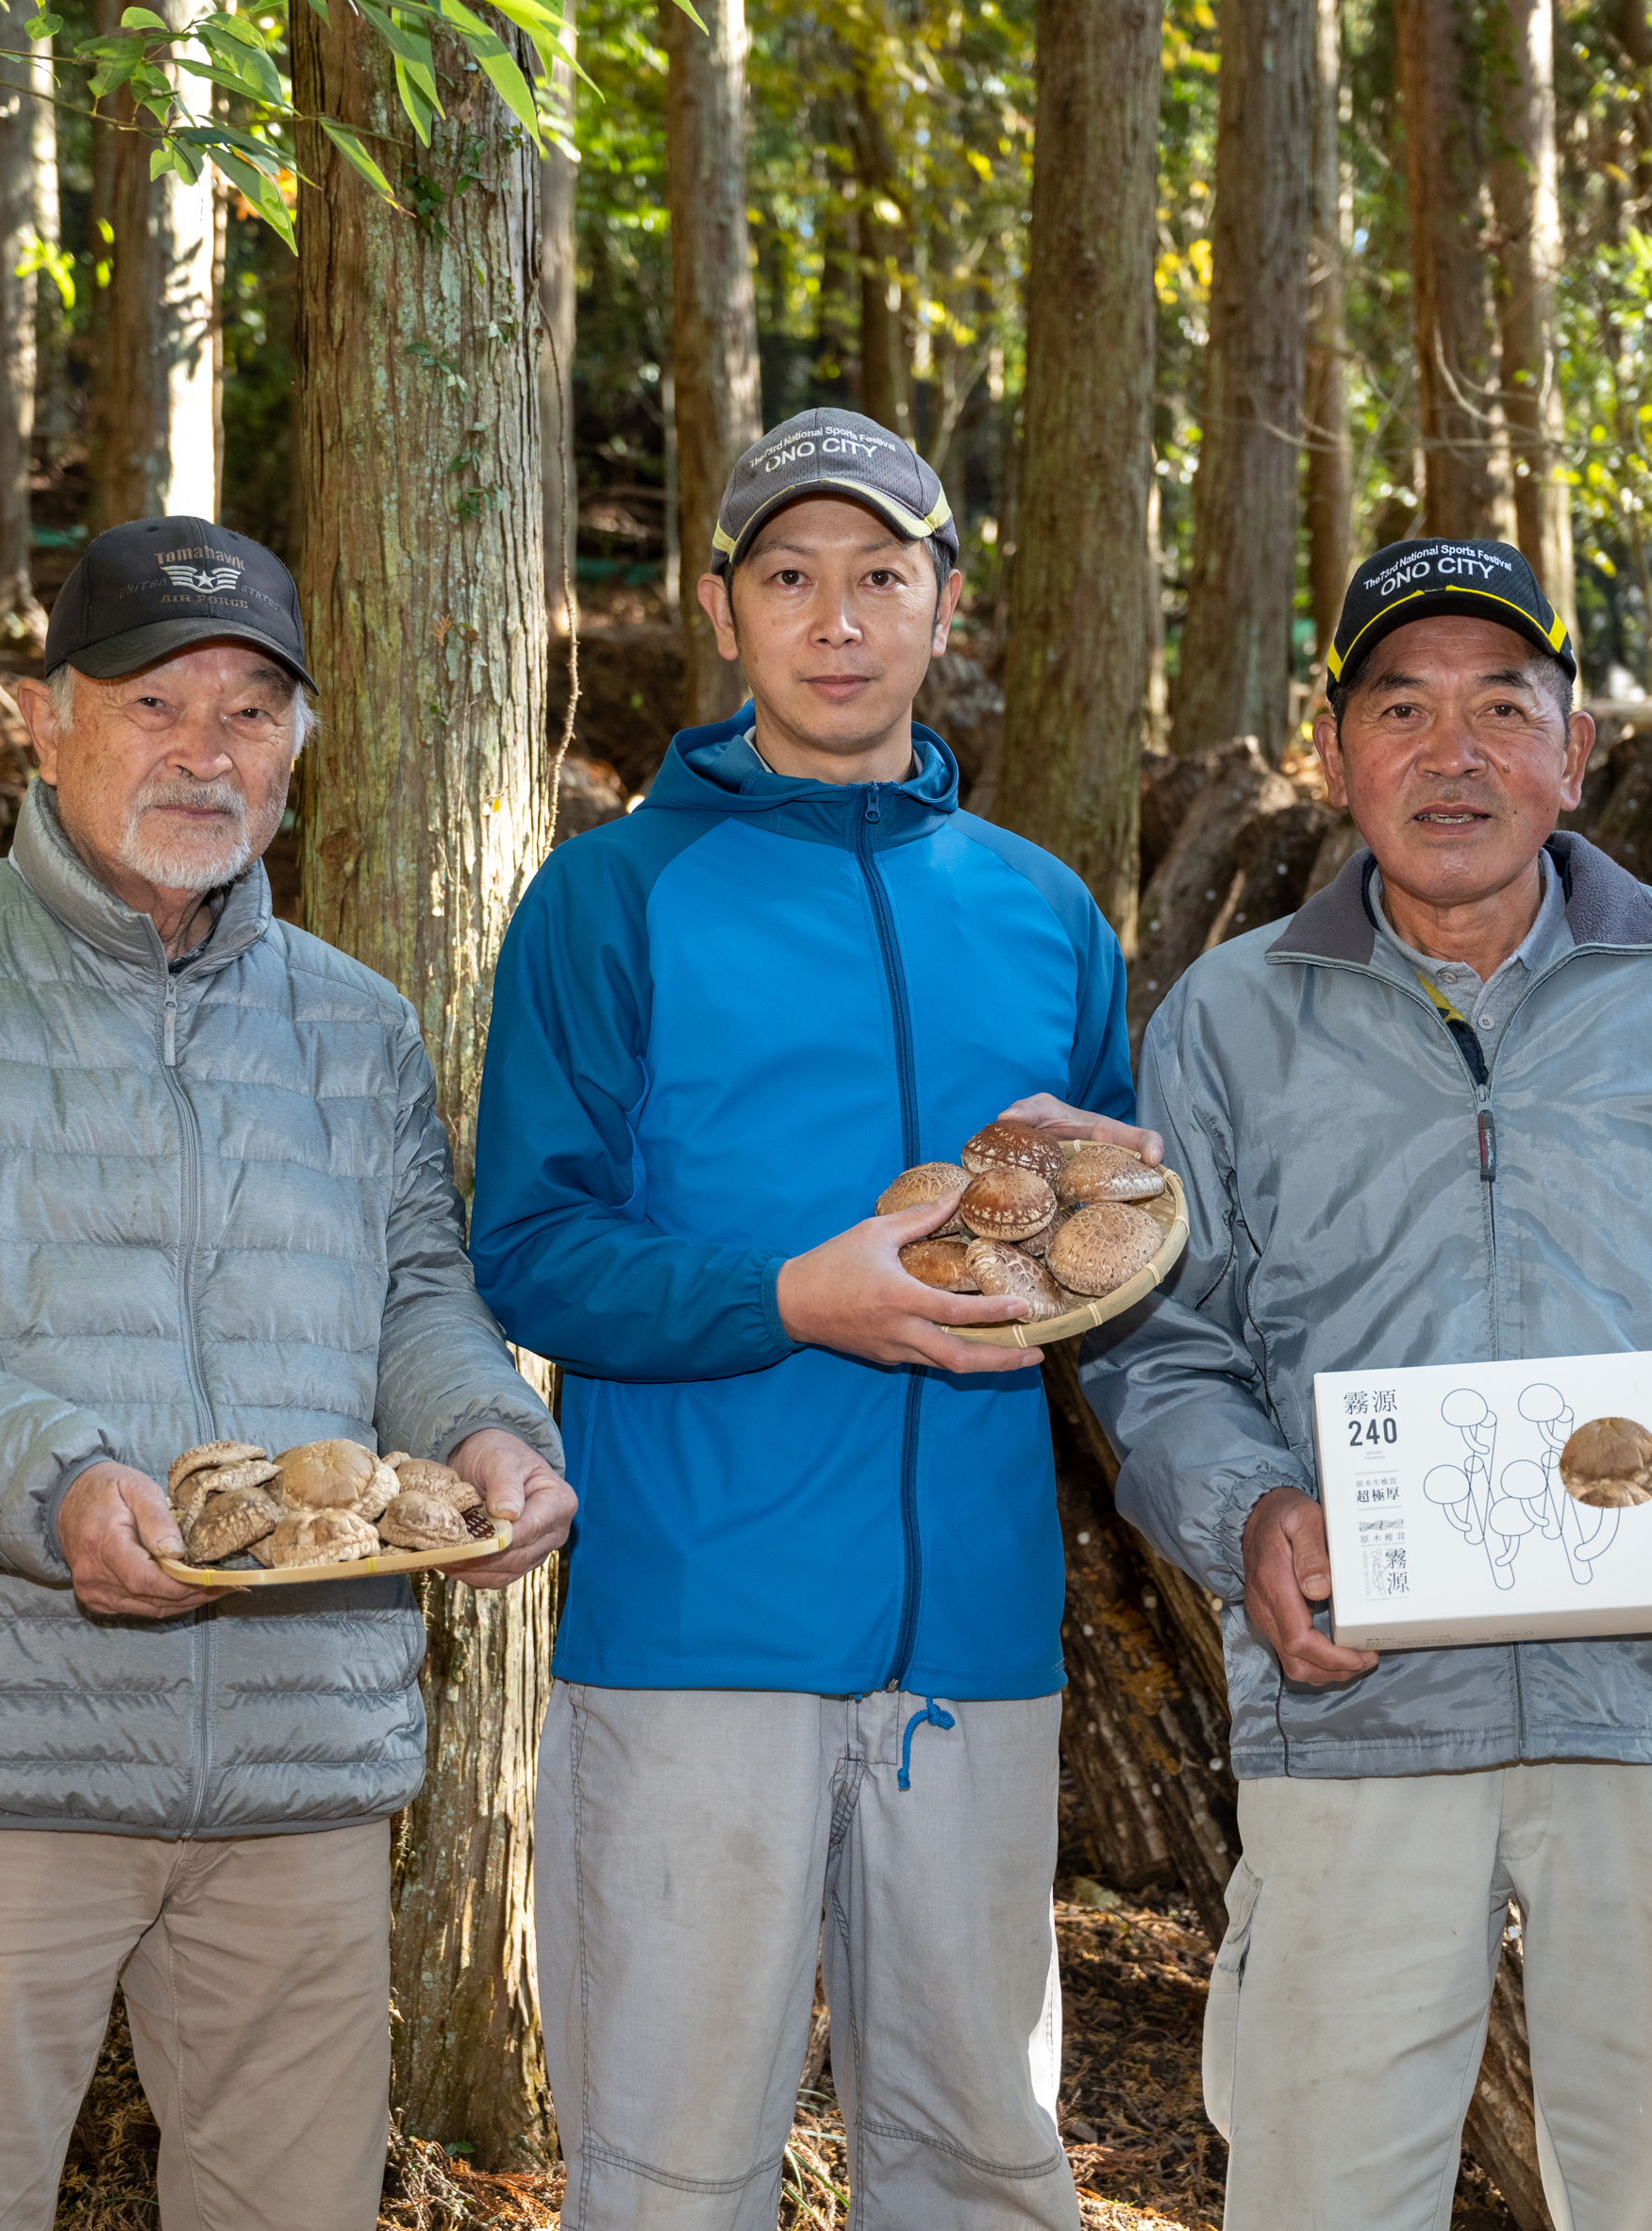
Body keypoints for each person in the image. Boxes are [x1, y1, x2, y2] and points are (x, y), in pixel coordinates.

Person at [1086, 537, 1652, 2230]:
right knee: (1321, 2191)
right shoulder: (1228, 1024)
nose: (1451, 751)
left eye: (1502, 704)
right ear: (1332, 754)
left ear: (1577, 750)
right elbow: (1155, 1340)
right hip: (1354, 1715)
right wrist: (1249, 1509)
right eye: (1400, 705)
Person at [0, 516, 574, 2231]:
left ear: (297, 750)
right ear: (48, 720)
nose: (205, 751)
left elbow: (417, 1296)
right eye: (152, 701)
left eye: (251, 710)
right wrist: (57, 1486)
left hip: (297, 1767)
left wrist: (483, 1428)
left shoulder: (353, 1025)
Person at [471, 407, 1137, 2230]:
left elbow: (1104, 1260)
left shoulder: (1047, 917)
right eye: (789, 579)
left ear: (943, 606)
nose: (836, 620)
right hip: (697, 1632)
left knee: (987, 2167)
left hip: (979, 1645)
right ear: (723, 608)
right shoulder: (613, 897)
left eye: (879, 577)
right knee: (677, 2173)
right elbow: (528, 1248)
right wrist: (789, 1299)